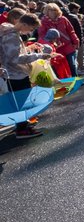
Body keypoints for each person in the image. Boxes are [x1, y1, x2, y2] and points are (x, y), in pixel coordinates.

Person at [0, 10, 52, 139]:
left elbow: (11, 54)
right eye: (31, 28)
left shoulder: (11, 33)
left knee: (21, 101)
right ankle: (21, 130)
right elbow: (14, 59)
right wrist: (38, 56)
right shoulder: (11, 36)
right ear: (24, 24)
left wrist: (29, 50)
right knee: (20, 102)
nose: (30, 32)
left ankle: (23, 125)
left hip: (15, 73)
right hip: (14, 74)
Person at [38, 3, 79, 75]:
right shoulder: (43, 22)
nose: (53, 12)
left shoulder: (63, 19)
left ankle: (75, 79)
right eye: (51, 10)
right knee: (61, 67)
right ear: (47, 11)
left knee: (72, 65)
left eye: (55, 10)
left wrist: (76, 41)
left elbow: (71, 31)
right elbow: (42, 36)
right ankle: (67, 81)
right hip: (56, 48)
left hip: (68, 46)